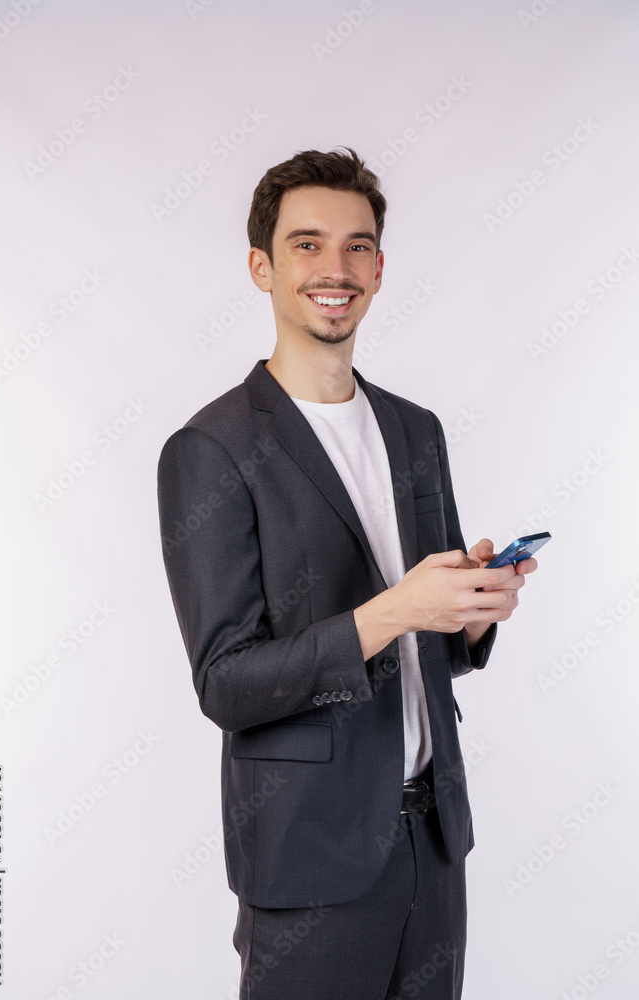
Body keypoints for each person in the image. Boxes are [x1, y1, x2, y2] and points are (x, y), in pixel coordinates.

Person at [157, 147, 538, 1000]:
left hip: (433, 844)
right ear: (261, 267)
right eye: (307, 244)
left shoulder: (415, 430)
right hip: (310, 858)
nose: (335, 268)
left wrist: (472, 612)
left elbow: (431, 637)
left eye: (357, 246)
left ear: (378, 268)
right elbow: (226, 684)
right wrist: (396, 608)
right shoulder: (211, 449)